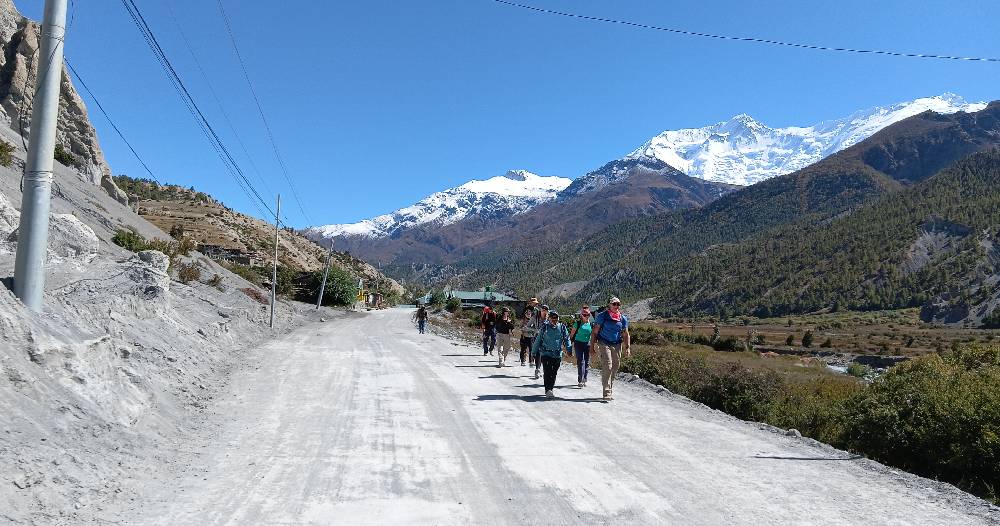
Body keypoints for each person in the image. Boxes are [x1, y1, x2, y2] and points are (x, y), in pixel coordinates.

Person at [591, 297, 631, 401]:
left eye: (618, 304)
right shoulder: (602, 316)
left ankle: (610, 387)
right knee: (608, 365)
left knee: (615, 366)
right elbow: (595, 332)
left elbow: (626, 334)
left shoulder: (622, 318)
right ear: (609, 305)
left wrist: (628, 347)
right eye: (614, 304)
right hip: (604, 343)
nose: (616, 306)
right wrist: (592, 346)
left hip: (617, 344)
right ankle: (606, 392)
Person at [531, 310, 572, 399]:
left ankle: (551, 388)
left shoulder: (562, 327)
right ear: (549, 318)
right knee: (547, 371)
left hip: (557, 354)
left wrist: (569, 349)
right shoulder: (545, 327)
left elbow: (567, 339)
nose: (554, 320)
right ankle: (548, 390)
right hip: (546, 353)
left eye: (556, 318)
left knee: (554, 373)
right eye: (552, 318)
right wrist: (533, 352)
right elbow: (538, 340)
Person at [569, 305, 595, 388]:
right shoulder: (577, 324)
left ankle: (585, 378)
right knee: (581, 361)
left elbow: (593, 335)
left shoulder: (591, 324)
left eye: (588, 315)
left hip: (587, 344)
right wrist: (568, 343)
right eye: (584, 315)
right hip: (578, 343)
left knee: (587, 362)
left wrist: (593, 345)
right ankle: (580, 380)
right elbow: (572, 334)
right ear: (581, 315)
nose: (586, 316)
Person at [532, 305, 550, 379]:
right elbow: (528, 326)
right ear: (541, 310)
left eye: (546, 310)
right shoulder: (536, 317)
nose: (544, 311)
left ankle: (543, 370)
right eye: (543, 309)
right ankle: (537, 369)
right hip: (537, 337)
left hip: (546, 339)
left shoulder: (549, 318)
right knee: (539, 352)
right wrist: (535, 330)